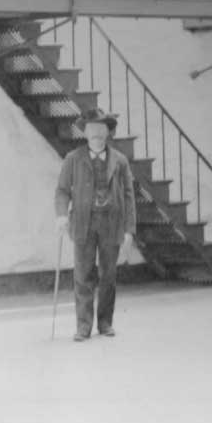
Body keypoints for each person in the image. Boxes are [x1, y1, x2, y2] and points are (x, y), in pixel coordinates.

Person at [55, 108, 136, 342]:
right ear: (85, 132)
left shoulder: (120, 160)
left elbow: (129, 196)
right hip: (83, 224)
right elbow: (61, 191)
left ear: (108, 132)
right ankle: (83, 326)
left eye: (101, 129)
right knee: (82, 275)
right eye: (92, 129)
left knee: (109, 275)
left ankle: (105, 323)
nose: (97, 134)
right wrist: (61, 215)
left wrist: (129, 229)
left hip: (111, 224)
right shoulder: (73, 159)